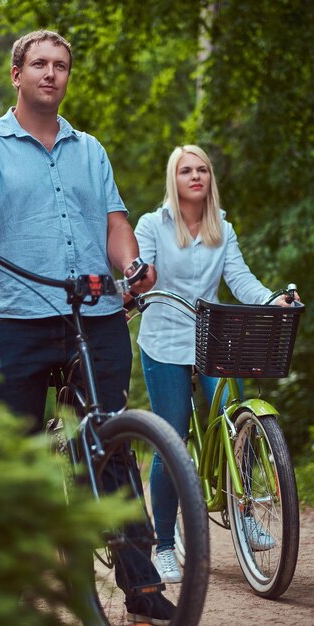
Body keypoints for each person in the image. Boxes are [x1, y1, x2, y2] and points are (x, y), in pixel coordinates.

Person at [0, 29, 176, 625]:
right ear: (17, 74)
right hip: (17, 319)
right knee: (19, 456)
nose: (51, 74)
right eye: (39, 64)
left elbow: (113, 223)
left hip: (95, 316)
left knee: (108, 446)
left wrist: (132, 264)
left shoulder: (91, 150)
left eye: (61, 65)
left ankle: (141, 591)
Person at [134, 144, 299, 584]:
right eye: (186, 169)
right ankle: (164, 544)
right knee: (171, 436)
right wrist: (133, 288)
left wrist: (271, 299)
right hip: (164, 338)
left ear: (210, 178)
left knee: (236, 424)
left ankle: (243, 515)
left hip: (213, 338)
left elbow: (239, 278)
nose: (195, 176)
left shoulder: (220, 228)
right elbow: (142, 273)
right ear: (174, 177)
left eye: (202, 169)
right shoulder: (152, 225)